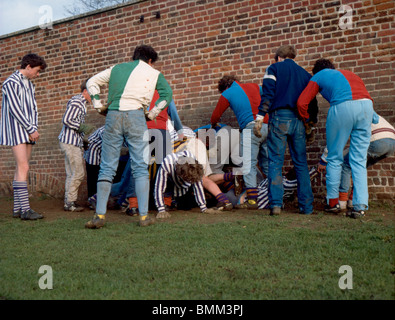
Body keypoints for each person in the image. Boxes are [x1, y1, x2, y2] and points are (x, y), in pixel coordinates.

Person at [85, 44, 173, 229]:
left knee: (107, 166)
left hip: (113, 115)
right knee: (140, 166)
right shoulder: (153, 73)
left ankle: (99, 215)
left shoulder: (116, 68)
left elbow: (92, 82)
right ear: (150, 60)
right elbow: (167, 94)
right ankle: (143, 217)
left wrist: (97, 103)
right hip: (136, 116)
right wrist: (153, 113)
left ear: (134, 57)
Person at [297, 58, 376, 218]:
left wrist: (306, 120)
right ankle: (360, 206)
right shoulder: (352, 75)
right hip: (367, 107)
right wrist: (369, 119)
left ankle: (333, 203)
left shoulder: (318, 76)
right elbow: (368, 108)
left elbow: (301, 102)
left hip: (342, 107)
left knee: (334, 157)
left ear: (315, 71)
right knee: (359, 160)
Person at [254, 45, 316, 215]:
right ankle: (307, 207)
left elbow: (268, 94)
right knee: (301, 163)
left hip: (279, 117)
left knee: (275, 161)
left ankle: (275, 204)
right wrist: (311, 123)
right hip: (299, 121)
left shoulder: (273, 68)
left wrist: (260, 117)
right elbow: (312, 101)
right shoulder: (305, 75)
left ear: (279, 58)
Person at [318, 114, 395, 217]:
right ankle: (353, 201)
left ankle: (342, 202)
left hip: (376, 140)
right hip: (392, 142)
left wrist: (324, 160)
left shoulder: (346, 114)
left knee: (346, 164)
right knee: (360, 167)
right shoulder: (363, 109)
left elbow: (335, 140)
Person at [211, 75, 269, 209]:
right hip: (267, 126)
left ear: (225, 87)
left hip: (251, 128)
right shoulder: (256, 86)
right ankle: (274, 196)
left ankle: (253, 201)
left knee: (248, 164)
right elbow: (269, 99)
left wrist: (214, 125)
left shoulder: (227, 93)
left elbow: (215, 115)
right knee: (268, 164)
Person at [0, 53, 47, 220]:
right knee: (23, 167)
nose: (37, 74)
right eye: (37, 70)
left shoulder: (30, 85)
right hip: (16, 129)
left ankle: (18, 209)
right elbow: (14, 108)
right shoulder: (10, 83)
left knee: (22, 167)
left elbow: (33, 108)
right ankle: (25, 211)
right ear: (28, 67)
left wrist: (33, 128)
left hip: (28, 130)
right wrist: (30, 128)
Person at [58, 79, 93, 212]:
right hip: (70, 142)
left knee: (71, 173)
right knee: (78, 173)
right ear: (85, 91)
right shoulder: (78, 101)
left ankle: (69, 202)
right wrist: (81, 127)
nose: (94, 96)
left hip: (71, 141)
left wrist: (82, 139)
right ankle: (70, 202)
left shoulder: (80, 102)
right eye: (93, 93)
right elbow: (67, 120)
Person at [153, 151, 216, 218]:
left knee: (186, 206)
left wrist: (204, 208)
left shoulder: (194, 163)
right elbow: (159, 187)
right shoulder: (167, 163)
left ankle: (177, 202)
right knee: (157, 204)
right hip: (169, 184)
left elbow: (198, 185)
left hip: (185, 189)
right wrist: (161, 210)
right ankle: (167, 201)